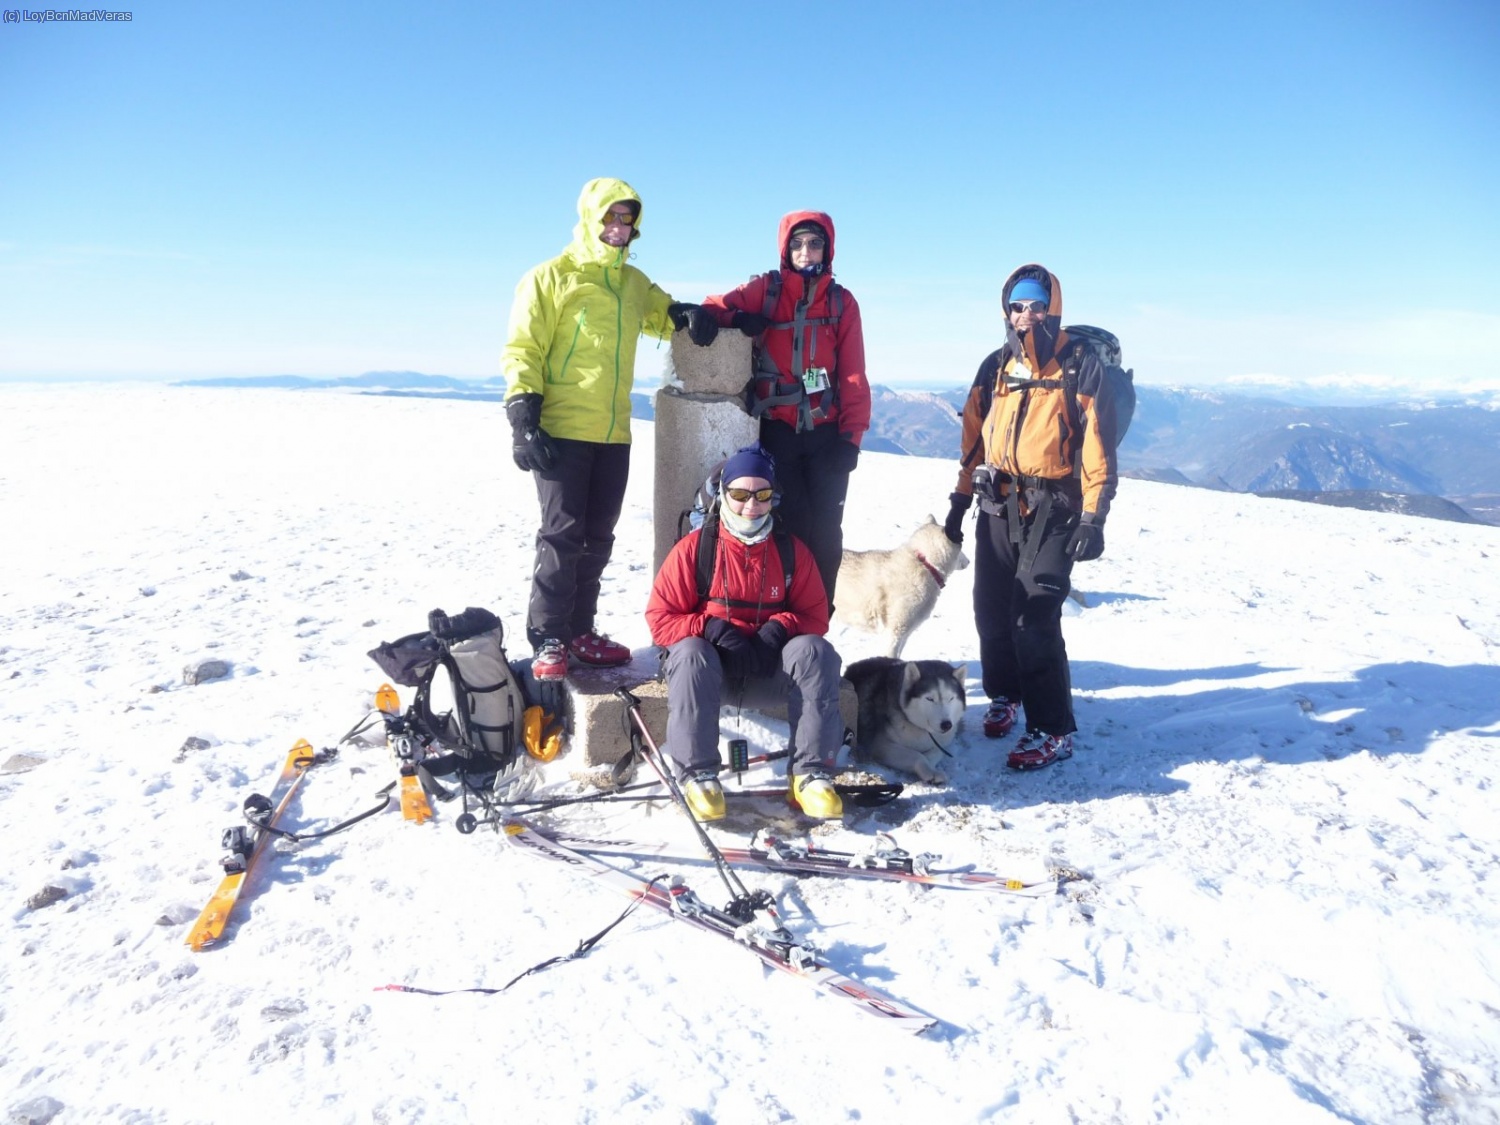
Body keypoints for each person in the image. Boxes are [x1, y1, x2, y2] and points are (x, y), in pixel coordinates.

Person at [503, 177, 707, 681]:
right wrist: (523, 415)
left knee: (598, 537)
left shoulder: (633, 283)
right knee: (562, 534)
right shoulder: (550, 278)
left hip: (614, 432)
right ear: (590, 218)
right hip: (561, 428)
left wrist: (691, 317)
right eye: (610, 216)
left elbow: (661, 315)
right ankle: (549, 637)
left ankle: (580, 630)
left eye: (626, 218)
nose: (618, 226)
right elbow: (523, 348)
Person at [944, 265, 1118, 770]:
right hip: (998, 503)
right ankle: (1006, 694)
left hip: (1056, 509)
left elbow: (1098, 447)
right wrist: (959, 501)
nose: (1026, 315)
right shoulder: (996, 366)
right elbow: (973, 443)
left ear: (1052, 309)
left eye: (1036, 306)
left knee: (1035, 617)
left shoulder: (1079, 365)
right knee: (992, 611)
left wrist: (1093, 517)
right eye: (1017, 306)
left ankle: (1053, 728)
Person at [645, 443, 845, 821]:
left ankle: (810, 774)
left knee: (815, 651)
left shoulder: (792, 552)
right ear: (723, 494)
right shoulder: (694, 550)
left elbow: (816, 616)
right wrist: (709, 627)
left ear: (774, 497)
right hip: (710, 676)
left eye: (762, 494)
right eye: (739, 494)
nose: (751, 505)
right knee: (689, 652)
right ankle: (698, 775)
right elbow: (660, 617)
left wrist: (781, 627)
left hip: (770, 672)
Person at [694, 211, 870, 610]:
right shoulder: (766, 289)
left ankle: (817, 616)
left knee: (826, 532)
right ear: (785, 249)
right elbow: (710, 307)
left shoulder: (842, 302)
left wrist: (851, 438)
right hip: (777, 432)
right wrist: (739, 318)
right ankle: (780, 612)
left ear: (828, 250)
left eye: (815, 243)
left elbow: (854, 374)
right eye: (797, 243)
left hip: (827, 435)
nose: (806, 252)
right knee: (786, 525)